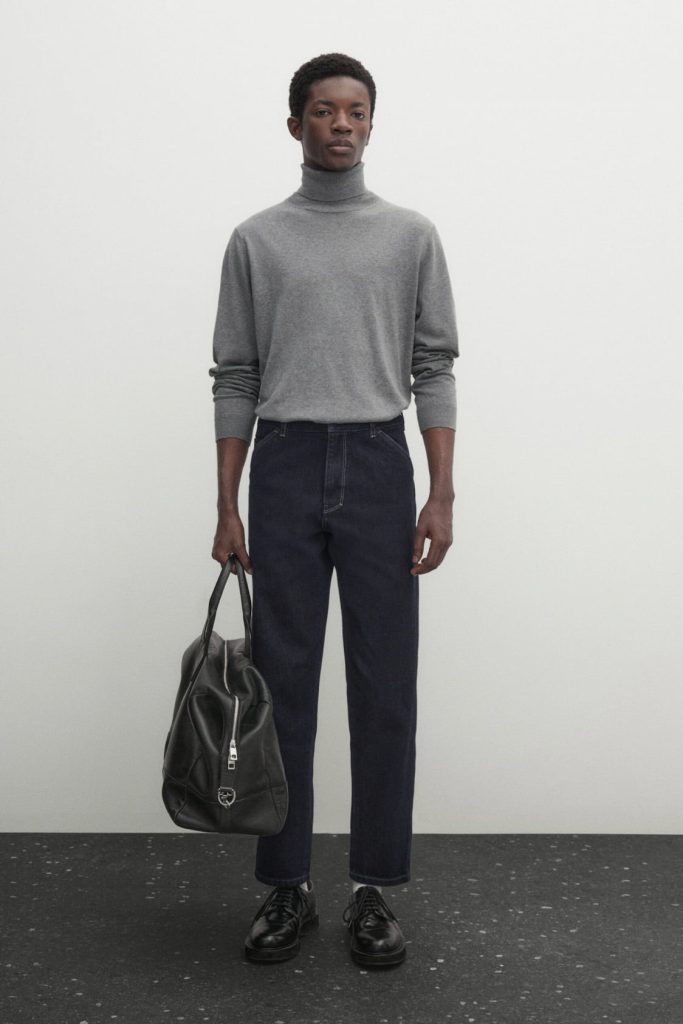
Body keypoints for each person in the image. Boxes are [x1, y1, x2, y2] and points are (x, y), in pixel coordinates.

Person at [209, 52, 459, 968]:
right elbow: (235, 373)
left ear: (370, 123)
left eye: (355, 110)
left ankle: (373, 889)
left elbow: (432, 364)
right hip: (282, 464)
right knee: (281, 688)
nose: (340, 124)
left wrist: (440, 490)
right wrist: (227, 501)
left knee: (384, 688)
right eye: (323, 110)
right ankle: (285, 886)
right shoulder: (256, 240)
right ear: (295, 125)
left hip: (380, 462)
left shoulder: (409, 236)